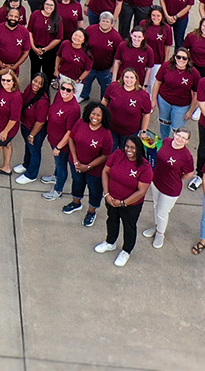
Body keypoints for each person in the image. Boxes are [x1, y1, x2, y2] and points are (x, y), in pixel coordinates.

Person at [94, 138, 154, 267]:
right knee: (111, 220)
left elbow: (141, 191)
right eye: (127, 146)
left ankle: (126, 251)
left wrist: (123, 203)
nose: (129, 150)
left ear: (138, 148)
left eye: (133, 147)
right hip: (112, 198)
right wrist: (107, 194)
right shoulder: (117, 154)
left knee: (129, 226)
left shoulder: (145, 167)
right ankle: (110, 242)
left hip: (131, 205)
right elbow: (105, 171)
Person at [59, 101, 114, 229]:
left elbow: (105, 156)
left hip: (94, 169)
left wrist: (88, 166)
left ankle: (91, 212)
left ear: (103, 117)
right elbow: (71, 138)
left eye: (99, 115)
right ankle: (76, 202)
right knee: (77, 182)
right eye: (93, 114)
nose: (95, 117)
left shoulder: (106, 134)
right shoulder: (80, 123)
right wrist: (75, 159)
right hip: (77, 164)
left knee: (94, 189)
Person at [142, 126, 197, 250]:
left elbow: (189, 173)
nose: (180, 139)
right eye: (179, 135)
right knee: (156, 206)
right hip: (156, 181)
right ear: (174, 134)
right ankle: (157, 227)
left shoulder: (186, 156)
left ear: (187, 141)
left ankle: (160, 234)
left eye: (184, 138)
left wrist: (178, 178)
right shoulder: (166, 142)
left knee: (162, 212)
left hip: (171, 188)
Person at [43, 77, 82, 201]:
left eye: (68, 90)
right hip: (53, 138)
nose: (64, 91)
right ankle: (55, 176)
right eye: (62, 88)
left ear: (74, 91)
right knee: (57, 162)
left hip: (62, 144)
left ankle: (58, 189)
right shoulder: (59, 97)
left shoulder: (74, 109)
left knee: (61, 166)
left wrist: (59, 146)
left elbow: (70, 132)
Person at [153, 46, 199, 140]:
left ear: (188, 59)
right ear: (174, 57)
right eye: (178, 57)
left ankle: (175, 146)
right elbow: (157, 82)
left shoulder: (194, 73)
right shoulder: (166, 66)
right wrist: (153, 99)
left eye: (184, 58)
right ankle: (164, 141)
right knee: (164, 123)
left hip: (182, 106)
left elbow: (196, 94)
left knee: (177, 130)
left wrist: (191, 110)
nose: (181, 60)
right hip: (164, 101)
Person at [15, 72, 52, 185]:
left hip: (36, 131)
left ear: (43, 86)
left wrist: (32, 135)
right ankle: (26, 164)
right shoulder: (29, 89)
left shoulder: (42, 101)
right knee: (28, 147)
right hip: (26, 125)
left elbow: (40, 121)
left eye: (40, 83)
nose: (36, 84)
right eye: (35, 81)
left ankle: (31, 174)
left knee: (34, 151)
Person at [104, 66, 152, 150]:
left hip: (130, 132)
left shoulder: (143, 95)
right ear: (122, 77)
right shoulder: (113, 87)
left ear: (136, 79)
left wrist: (144, 131)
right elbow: (105, 100)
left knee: (125, 153)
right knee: (110, 151)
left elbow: (146, 114)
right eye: (126, 77)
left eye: (131, 77)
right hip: (112, 128)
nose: (129, 80)